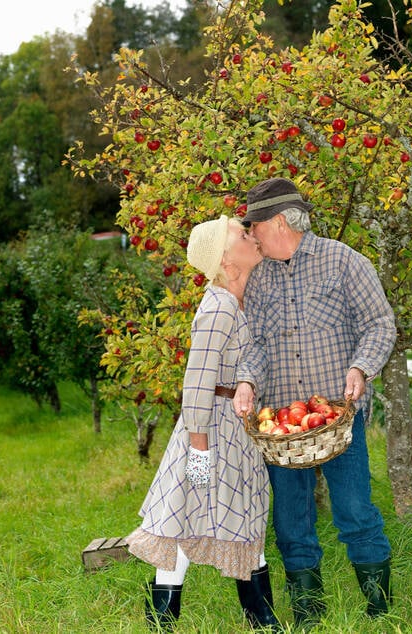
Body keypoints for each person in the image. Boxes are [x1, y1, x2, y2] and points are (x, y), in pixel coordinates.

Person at [232, 177, 397, 626]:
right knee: (290, 525)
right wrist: (246, 382)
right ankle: (309, 616)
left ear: (279, 222)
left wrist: (360, 368)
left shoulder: (344, 262)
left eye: (255, 226)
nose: (251, 235)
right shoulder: (260, 278)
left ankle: (380, 611)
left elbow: (380, 324)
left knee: (355, 512)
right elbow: (254, 346)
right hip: (282, 430)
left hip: (338, 419)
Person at [125, 215, 281, 632]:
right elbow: (196, 384)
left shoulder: (242, 299)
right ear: (228, 261)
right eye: (242, 235)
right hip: (207, 434)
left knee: (238, 514)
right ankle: (164, 620)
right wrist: (199, 450)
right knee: (185, 517)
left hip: (232, 432)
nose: (251, 236)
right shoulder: (218, 307)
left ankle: (260, 617)